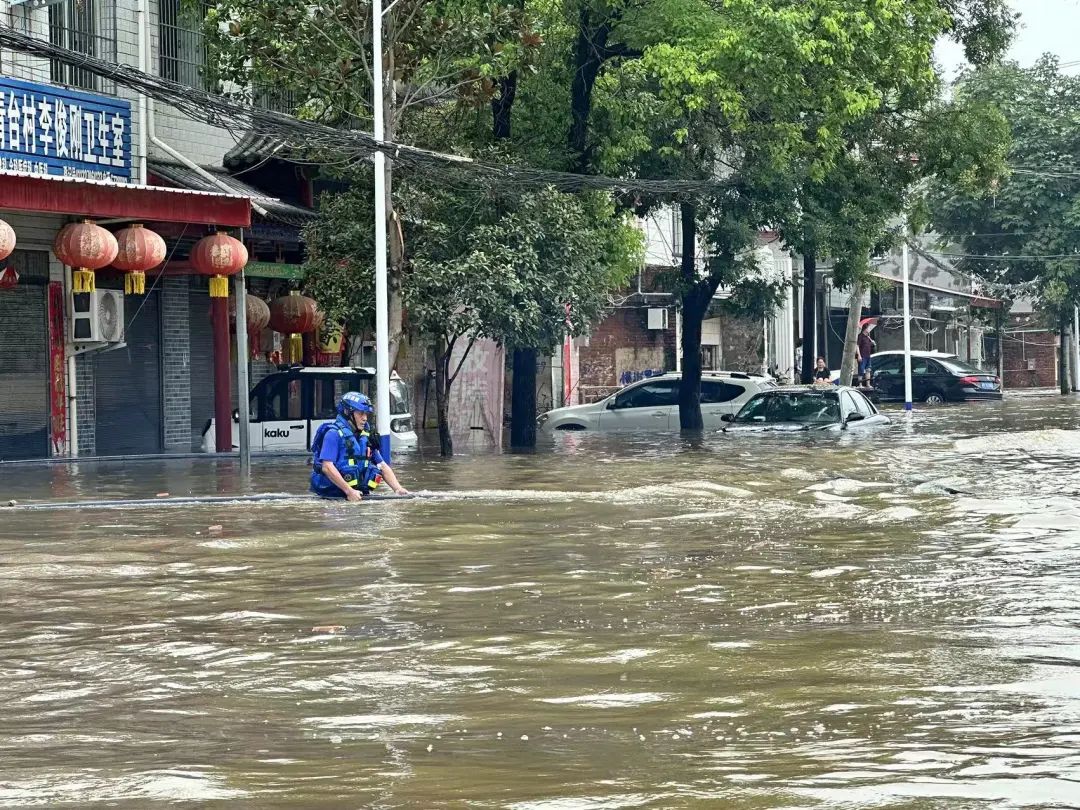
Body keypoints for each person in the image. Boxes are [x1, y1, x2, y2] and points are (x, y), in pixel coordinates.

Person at [310, 391, 408, 501]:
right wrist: (349, 491)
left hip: (357, 494)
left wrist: (398, 489)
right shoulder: (333, 434)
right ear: (347, 412)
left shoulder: (365, 437)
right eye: (361, 413)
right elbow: (327, 467)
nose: (365, 418)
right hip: (331, 497)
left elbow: (382, 466)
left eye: (366, 414)